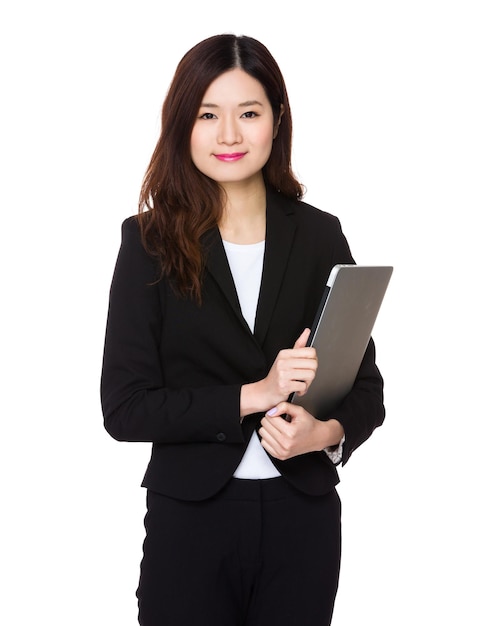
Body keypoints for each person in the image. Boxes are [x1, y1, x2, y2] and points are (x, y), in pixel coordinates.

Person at [101, 33, 385, 626]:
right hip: (192, 520)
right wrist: (258, 394)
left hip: (301, 519)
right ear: (182, 124)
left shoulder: (320, 236)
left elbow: (368, 390)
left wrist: (325, 434)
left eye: (248, 113)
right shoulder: (148, 242)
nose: (229, 134)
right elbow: (125, 409)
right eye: (208, 115)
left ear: (276, 121)